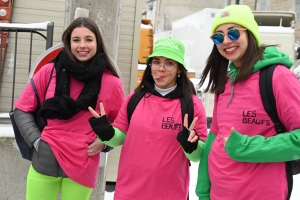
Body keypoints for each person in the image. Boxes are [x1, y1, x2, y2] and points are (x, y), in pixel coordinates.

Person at [196, 4, 300, 200]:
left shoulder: (278, 77)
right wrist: (203, 189)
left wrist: (246, 147)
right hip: (219, 194)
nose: (226, 41)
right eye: (218, 36)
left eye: (233, 33)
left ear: (250, 34)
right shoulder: (226, 82)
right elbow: (215, 137)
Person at [13, 17, 125, 200]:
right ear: (68, 42)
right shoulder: (48, 72)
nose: (82, 45)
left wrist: (104, 143)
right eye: (76, 40)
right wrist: (36, 141)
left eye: (88, 39)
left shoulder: (112, 83)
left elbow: (121, 126)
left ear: (98, 42)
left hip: (84, 163)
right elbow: (21, 109)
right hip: (45, 158)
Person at [88, 38, 208, 200]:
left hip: (171, 194)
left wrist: (191, 145)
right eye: (156, 62)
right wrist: (107, 133)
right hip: (129, 192)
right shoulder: (135, 98)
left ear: (179, 69)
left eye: (169, 63)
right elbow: (119, 137)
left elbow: (199, 155)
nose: (161, 69)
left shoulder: (192, 105)